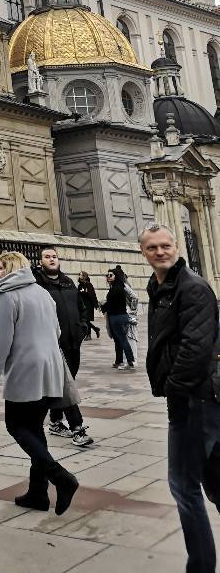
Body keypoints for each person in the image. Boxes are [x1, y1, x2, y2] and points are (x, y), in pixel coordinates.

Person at [142, 223, 220, 573]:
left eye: (166, 245)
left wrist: (173, 386)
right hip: (194, 399)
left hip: (195, 400)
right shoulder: (160, 287)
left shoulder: (192, 288)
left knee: (184, 485)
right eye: (152, 248)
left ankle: (200, 567)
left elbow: (197, 349)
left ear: (176, 247)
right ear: (143, 253)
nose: (160, 252)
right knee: (212, 482)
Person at [0, 250, 79, 515]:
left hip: (26, 368)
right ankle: (38, 492)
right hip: (51, 367)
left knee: (16, 425)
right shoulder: (42, 292)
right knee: (35, 428)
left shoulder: (7, 295)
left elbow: (1, 339)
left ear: (8, 267)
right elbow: (57, 330)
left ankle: (61, 477)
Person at [32, 246, 94, 447]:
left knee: (67, 380)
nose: (51, 259)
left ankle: (56, 421)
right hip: (52, 344)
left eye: (54, 256)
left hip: (73, 341)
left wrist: (82, 327)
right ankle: (77, 428)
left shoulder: (68, 282)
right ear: (40, 261)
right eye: (47, 257)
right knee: (66, 384)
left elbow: (81, 307)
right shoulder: (36, 284)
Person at [101, 266, 135, 369]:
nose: (108, 277)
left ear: (116, 276)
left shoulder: (116, 288)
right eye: (107, 275)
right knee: (118, 339)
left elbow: (111, 304)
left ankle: (130, 361)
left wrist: (103, 306)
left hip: (116, 317)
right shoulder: (118, 287)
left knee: (122, 339)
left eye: (111, 275)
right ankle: (119, 360)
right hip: (121, 316)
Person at [77, 271, 101, 339]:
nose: (79, 276)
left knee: (87, 320)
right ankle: (95, 329)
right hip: (82, 304)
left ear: (84, 276)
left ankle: (88, 335)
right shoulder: (80, 285)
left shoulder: (88, 284)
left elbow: (92, 295)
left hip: (88, 305)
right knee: (84, 320)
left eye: (81, 275)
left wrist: (96, 304)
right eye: (79, 275)